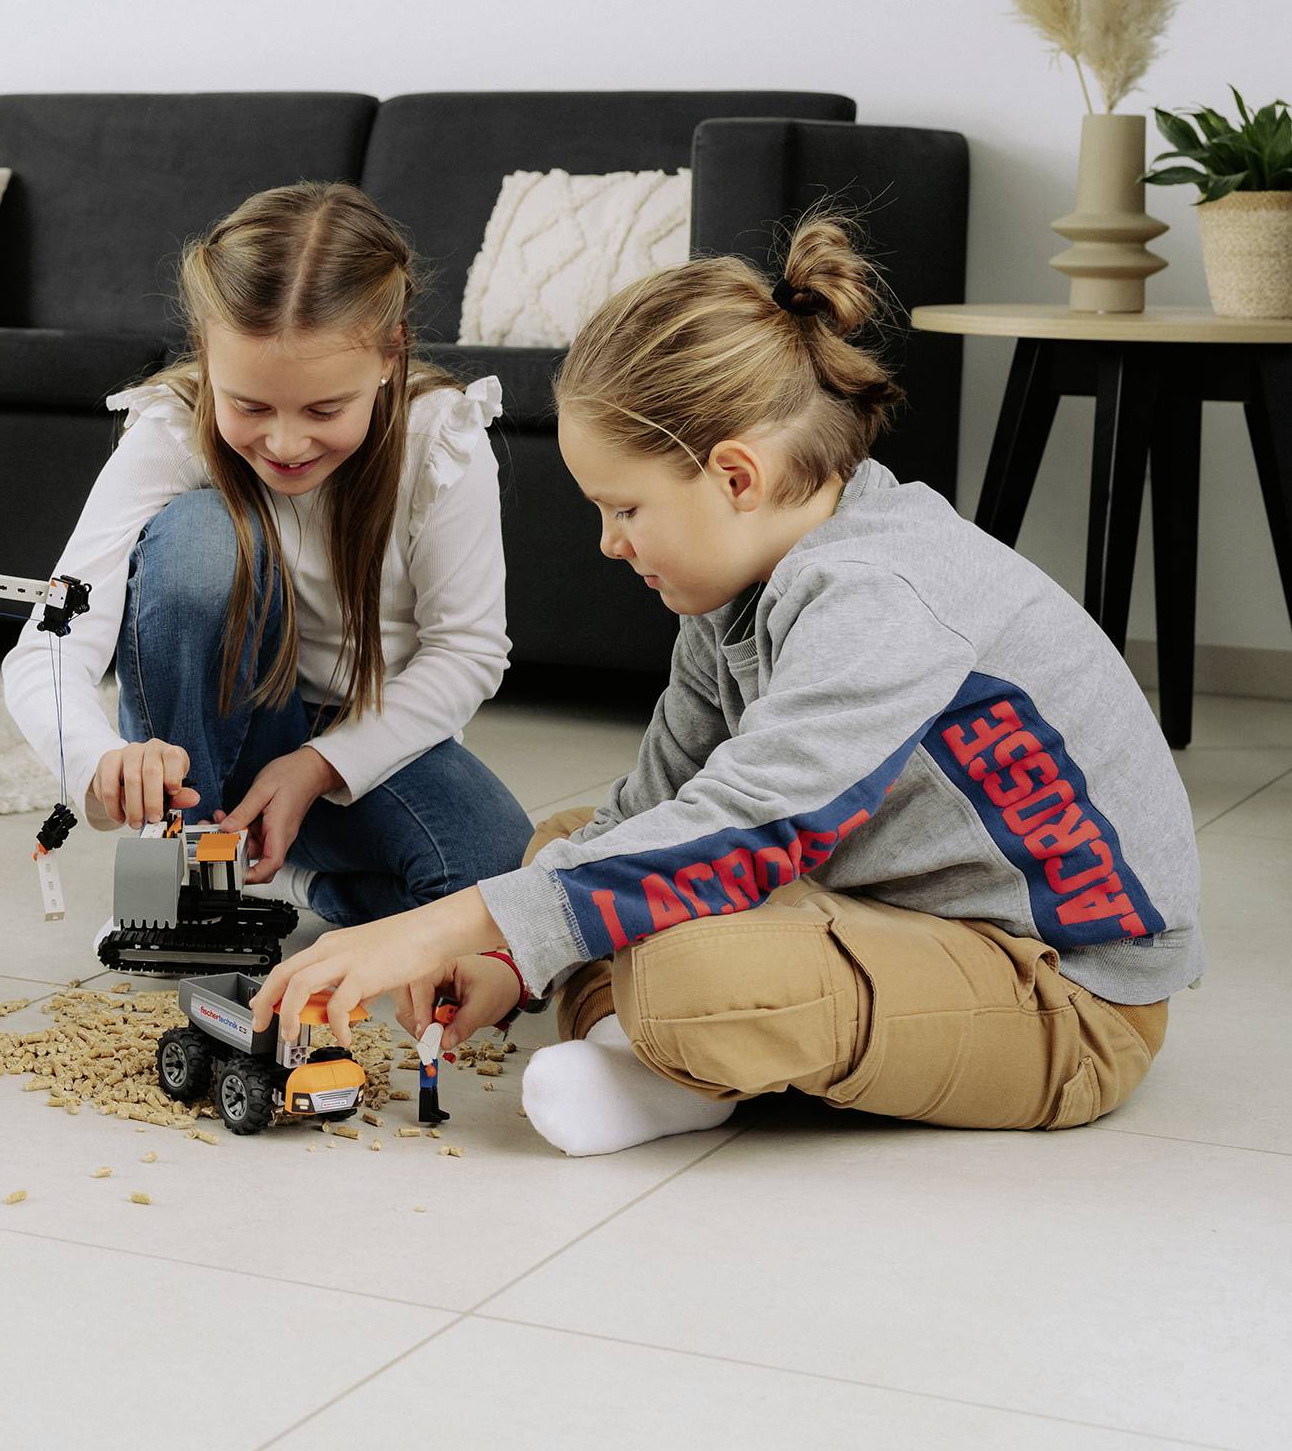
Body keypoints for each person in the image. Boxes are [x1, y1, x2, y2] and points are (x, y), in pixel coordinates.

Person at [252, 214, 1202, 1154]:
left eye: (625, 508)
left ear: (737, 477)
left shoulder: (884, 594)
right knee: (562, 847)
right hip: (885, 916)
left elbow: (752, 822)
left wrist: (436, 931)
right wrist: (505, 953)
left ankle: (664, 1061)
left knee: (678, 969)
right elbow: (659, 802)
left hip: (1064, 996)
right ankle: (661, 1058)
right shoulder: (737, 591)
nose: (609, 542)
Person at [3, 181, 530, 929]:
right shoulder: (173, 429)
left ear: (391, 353)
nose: (285, 444)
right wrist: (98, 761)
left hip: (360, 746)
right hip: (215, 740)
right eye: (249, 406)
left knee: (493, 872)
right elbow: (47, 646)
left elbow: (468, 651)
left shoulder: (441, 442)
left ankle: (298, 883)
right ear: (207, 354)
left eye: (324, 410)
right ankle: (191, 877)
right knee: (199, 538)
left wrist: (317, 767)